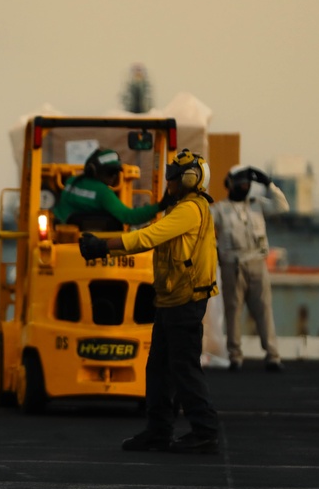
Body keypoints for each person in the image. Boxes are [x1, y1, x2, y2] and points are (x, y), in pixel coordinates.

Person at [78, 149, 220, 454]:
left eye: (175, 175)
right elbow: (145, 235)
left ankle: (205, 430)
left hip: (185, 301)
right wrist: (106, 249)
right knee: (158, 370)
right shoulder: (179, 208)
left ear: (191, 179)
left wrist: (103, 246)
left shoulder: (190, 210)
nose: (169, 179)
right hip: (171, 300)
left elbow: (147, 238)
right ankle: (159, 431)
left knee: (183, 369)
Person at [212, 165, 290, 372]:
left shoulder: (257, 205)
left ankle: (273, 355)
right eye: (241, 184)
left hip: (257, 263)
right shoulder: (220, 209)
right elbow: (203, 225)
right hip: (232, 265)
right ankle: (235, 356)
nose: (245, 187)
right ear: (230, 185)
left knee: (264, 309)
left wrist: (269, 184)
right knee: (233, 311)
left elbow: (282, 206)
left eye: (248, 184)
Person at [52, 148, 163, 226]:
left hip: (61, 231)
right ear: (95, 171)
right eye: (110, 172)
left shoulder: (71, 182)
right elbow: (129, 216)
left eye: (116, 172)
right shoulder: (103, 193)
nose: (114, 176)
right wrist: (159, 206)